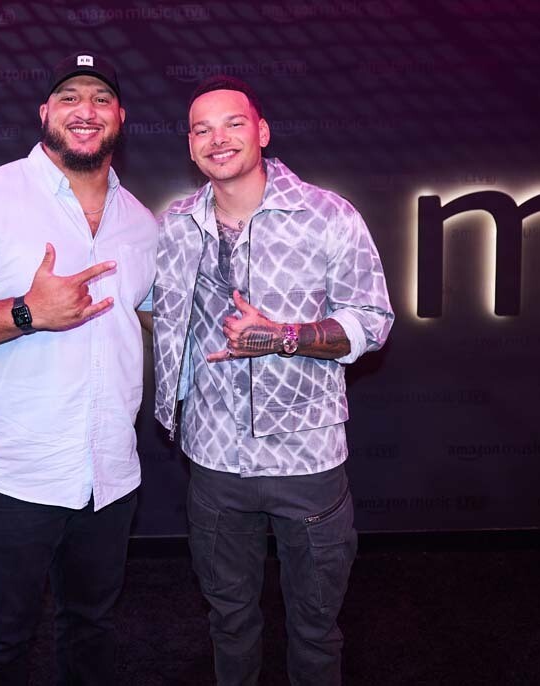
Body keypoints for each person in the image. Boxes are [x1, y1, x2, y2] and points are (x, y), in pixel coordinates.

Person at [0, 52, 157, 685]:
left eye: (100, 97)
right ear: (45, 112)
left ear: (120, 116)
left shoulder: (141, 221)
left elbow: (145, 316)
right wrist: (26, 312)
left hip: (109, 473)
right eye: (69, 97)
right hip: (13, 472)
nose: (85, 110)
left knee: (91, 628)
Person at [152, 75, 394, 686]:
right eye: (201, 129)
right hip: (212, 461)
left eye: (233, 123)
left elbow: (373, 321)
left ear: (261, 131)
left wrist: (285, 336)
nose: (218, 138)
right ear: (189, 146)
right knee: (229, 623)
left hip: (306, 462)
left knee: (315, 631)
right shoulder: (177, 224)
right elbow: (153, 307)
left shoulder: (328, 216)